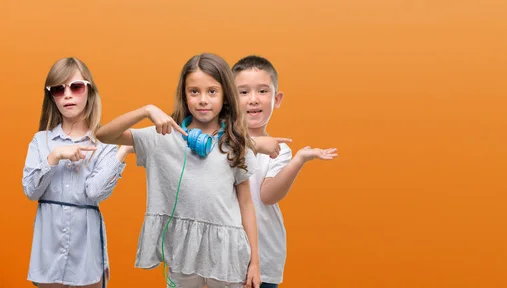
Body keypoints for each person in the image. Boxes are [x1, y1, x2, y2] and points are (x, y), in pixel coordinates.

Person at [95, 53, 279, 288]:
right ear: (184, 94)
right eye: (195, 92)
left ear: (225, 96)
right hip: (183, 253)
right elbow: (103, 135)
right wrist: (146, 110)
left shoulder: (236, 143)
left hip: (227, 251)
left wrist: (255, 262)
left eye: (212, 91)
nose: (203, 100)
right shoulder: (161, 137)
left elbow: (246, 204)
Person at [22, 57, 131, 288]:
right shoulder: (41, 141)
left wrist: (122, 152)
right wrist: (55, 156)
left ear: (89, 91)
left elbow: (95, 192)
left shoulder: (104, 144)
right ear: (51, 96)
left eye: (76, 86)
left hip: (87, 252)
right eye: (59, 89)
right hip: (48, 250)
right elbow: (31, 191)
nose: (68, 94)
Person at [232, 55, 338, 288]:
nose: (253, 100)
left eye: (262, 91)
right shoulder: (219, 144)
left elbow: (268, 196)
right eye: (243, 92)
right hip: (223, 256)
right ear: (229, 99)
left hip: (265, 254)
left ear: (277, 98)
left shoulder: (278, 150)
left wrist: (298, 160)